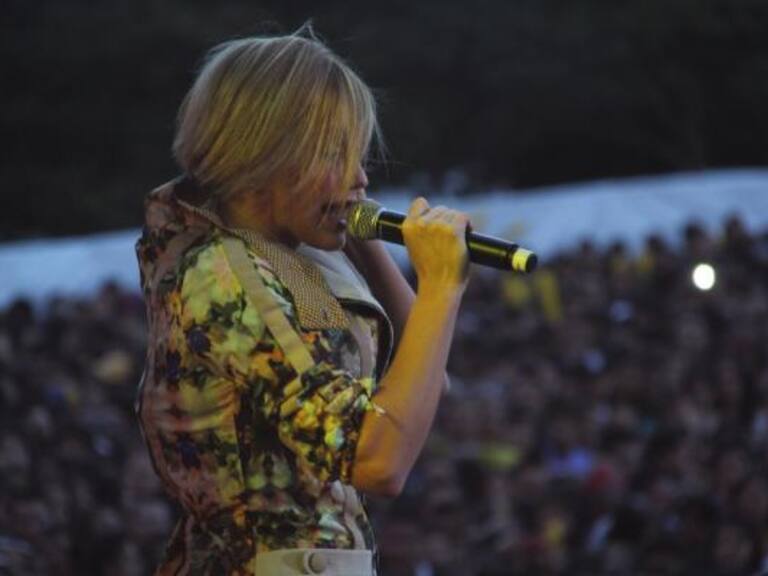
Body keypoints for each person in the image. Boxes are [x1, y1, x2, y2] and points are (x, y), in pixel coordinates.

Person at [135, 24, 471, 575]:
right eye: (337, 154)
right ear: (266, 154)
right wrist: (439, 287)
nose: (361, 177)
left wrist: (367, 242)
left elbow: (424, 387)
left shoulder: (284, 258)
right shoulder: (230, 276)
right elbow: (379, 459)